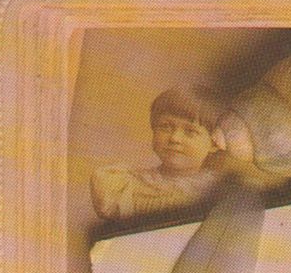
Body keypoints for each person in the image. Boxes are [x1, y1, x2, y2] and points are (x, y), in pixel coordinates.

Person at [89, 84, 228, 221]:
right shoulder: (127, 186)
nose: (174, 138)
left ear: (214, 143)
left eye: (190, 131)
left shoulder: (218, 193)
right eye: (165, 127)